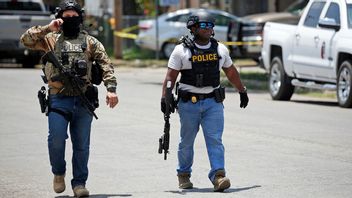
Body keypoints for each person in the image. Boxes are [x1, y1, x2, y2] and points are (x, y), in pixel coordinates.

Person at [20, 0, 118, 197]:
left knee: (81, 146)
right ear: (59, 17)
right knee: (56, 139)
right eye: (67, 16)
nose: (71, 19)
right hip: (58, 98)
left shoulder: (90, 41)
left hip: (83, 99)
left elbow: (106, 64)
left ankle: (79, 184)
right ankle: (58, 172)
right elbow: (25, 40)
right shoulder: (49, 38)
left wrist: (111, 89)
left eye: (74, 16)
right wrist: (48, 27)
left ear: (80, 18)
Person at [161, 11, 249, 192]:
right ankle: (183, 175)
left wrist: (242, 90)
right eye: (204, 26)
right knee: (186, 142)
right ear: (193, 28)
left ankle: (218, 176)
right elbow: (170, 77)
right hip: (188, 104)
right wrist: (165, 97)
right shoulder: (181, 51)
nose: (209, 29)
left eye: (211, 26)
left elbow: (231, 72)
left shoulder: (220, 49)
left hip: (213, 103)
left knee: (215, 140)